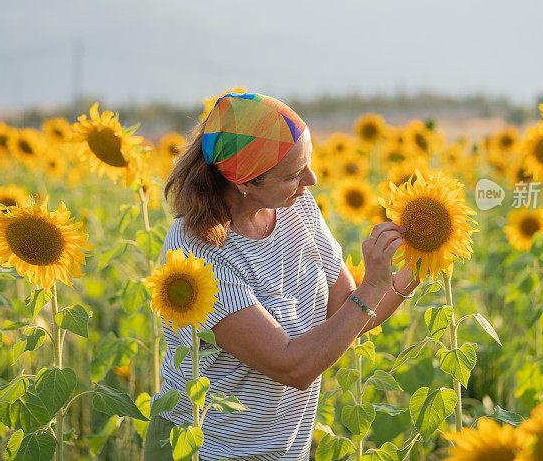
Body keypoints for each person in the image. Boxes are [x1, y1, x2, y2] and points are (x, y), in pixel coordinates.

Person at [144, 92, 420, 460]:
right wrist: (372, 285)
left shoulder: (296, 206)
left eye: (308, 163)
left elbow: (347, 313)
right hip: (207, 449)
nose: (312, 178)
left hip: (284, 451)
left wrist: (412, 270)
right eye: (293, 173)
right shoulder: (198, 252)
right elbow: (293, 366)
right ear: (244, 182)